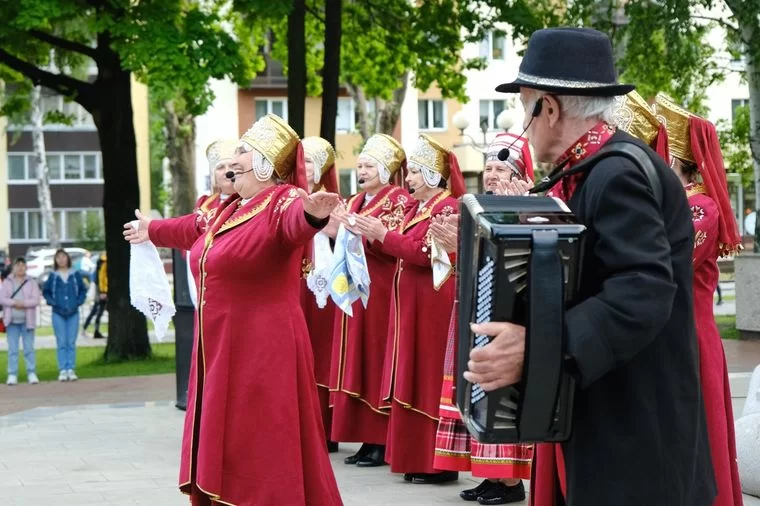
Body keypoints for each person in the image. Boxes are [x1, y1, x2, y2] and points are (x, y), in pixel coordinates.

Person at [464, 28, 715, 506]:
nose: (524, 125)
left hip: (635, 437)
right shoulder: (596, 169)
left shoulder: (616, 172)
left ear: (549, 109)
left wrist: (538, 346)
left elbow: (642, 290)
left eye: (525, 109)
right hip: (619, 422)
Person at [123, 114, 343, 506]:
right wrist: (153, 231)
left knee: (258, 435)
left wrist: (313, 215)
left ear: (264, 163)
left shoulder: (283, 200)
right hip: (224, 344)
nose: (232, 160)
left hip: (262, 346)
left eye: (241, 152)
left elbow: (294, 226)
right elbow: (194, 228)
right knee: (231, 431)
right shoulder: (232, 208)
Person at [351, 133, 466, 483]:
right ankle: (416, 459)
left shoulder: (447, 207)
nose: (409, 178)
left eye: (416, 172)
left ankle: (437, 465)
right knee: (411, 375)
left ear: (433, 175)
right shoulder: (420, 207)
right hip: (412, 304)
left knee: (427, 377)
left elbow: (423, 254)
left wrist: (382, 234)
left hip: (432, 303)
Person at [431, 133, 535, 505]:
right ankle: (490, 476)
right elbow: (474, 266)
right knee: (474, 392)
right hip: (474, 308)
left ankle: (509, 482)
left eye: (499, 168)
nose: (491, 175)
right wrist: (453, 249)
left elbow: (516, 265)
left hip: (503, 316)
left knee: (496, 392)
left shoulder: (528, 206)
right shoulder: (477, 206)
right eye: (488, 168)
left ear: (518, 173)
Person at [655, 93, 744, 506]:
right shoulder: (672, 204)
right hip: (667, 330)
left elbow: (670, 260)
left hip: (693, 335)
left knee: (699, 430)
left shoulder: (701, 208)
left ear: (676, 161)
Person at [328, 133, 412, 467]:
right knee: (356, 359)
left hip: (378, 291)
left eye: (368, 166)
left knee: (375, 357)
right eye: (359, 165)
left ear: (386, 169)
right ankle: (364, 437)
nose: (361, 171)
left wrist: (366, 234)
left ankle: (379, 437)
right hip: (354, 291)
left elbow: (392, 243)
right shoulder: (354, 201)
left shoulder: (398, 201)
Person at [299, 136, 341, 452]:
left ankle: (326, 428)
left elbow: (344, 236)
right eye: (302, 161)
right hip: (298, 283)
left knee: (323, 351)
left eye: (311, 161)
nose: (305, 167)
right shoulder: (291, 199)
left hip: (326, 284)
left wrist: (333, 230)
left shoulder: (333, 201)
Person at [43, 249, 87, 382]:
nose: (61, 259)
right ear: (55, 260)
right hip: (58, 313)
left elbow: (83, 290)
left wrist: (78, 302)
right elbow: (46, 291)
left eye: (63, 257)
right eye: (58, 257)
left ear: (68, 259)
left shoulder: (75, 275)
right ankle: (63, 369)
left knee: (71, 342)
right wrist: (53, 303)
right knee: (61, 342)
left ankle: (71, 369)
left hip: (73, 312)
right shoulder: (53, 276)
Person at [1, 257, 41, 385]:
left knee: (29, 348)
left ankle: (31, 372)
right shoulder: (7, 282)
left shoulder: (31, 282)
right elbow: (2, 299)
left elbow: (36, 300)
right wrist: (15, 303)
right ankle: (12, 374)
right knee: (13, 350)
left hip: (27, 321)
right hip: (12, 321)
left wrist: (23, 303)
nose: (20, 267)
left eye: (23, 265)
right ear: (13, 267)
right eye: (17, 265)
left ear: (26, 267)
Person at [82, 253, 107, 339]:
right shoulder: (104, 260)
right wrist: (103, 291)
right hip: (102, 290)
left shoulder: (102, 259)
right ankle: (94, 331)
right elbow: (102, 277)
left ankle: (87, 329)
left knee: (97, 310)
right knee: (98, 309)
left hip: (100, 289)